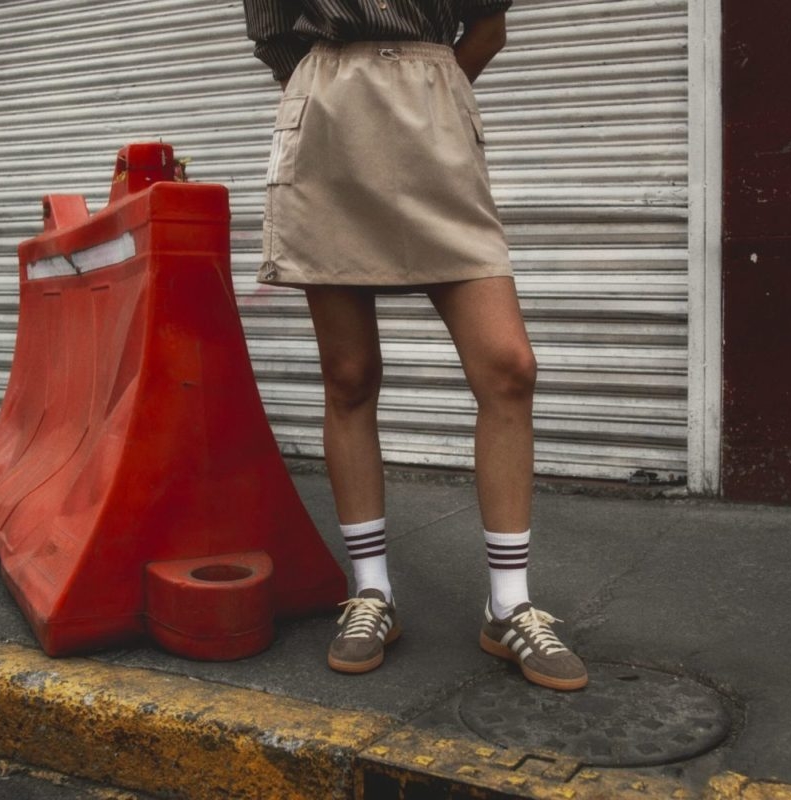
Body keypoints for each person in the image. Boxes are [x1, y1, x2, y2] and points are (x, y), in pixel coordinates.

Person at [242, 0, 587, 691]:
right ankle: (371, 593)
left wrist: (423, 92)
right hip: (330, 130)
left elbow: (488, 28)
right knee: (348, 374)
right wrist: (345, 92)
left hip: (435, 124)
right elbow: (275, 39)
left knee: (508, 367)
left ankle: (508, 605)